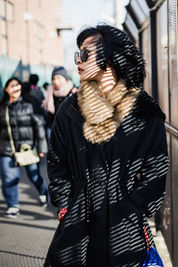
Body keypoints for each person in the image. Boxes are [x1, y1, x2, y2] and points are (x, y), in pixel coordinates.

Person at [44, 24, 169, 266]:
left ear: (110, 58)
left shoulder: (145, 111)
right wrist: (65, 205)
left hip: (124, 224)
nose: (77, 60)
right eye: (77, 54)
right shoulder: (69, 110)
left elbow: (156, 170)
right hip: (77, 222)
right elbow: (57, 162)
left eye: (85, 54)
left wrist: (136, 207)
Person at [0, 77, 48, 218]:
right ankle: (13, 205)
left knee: (34, 176)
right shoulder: (3, 107)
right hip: (6, 150)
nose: (15, 88)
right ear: (6, 89)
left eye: (17, 85)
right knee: (9, 178)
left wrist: (42, 149)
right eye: (11, 86)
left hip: (27, 149)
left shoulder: (29, 104)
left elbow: (39, 127)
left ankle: (43, 191)